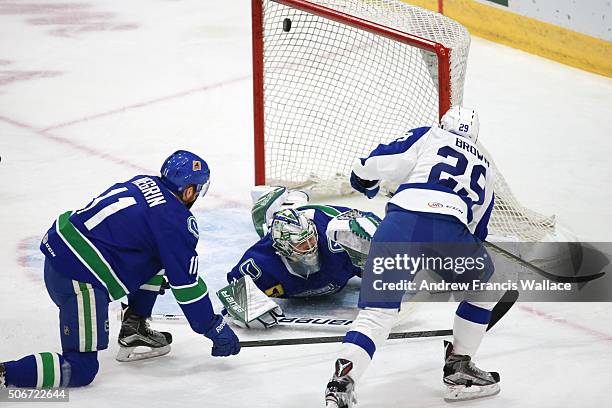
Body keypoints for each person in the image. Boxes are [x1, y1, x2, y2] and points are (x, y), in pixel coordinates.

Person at [0, 150, 240, 389]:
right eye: (198, 189)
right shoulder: (175, 223)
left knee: (158, 257)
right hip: (78, 280)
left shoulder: (144, 181)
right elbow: (186, 287)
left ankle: (134, 325)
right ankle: (4, 374)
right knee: (81, 368)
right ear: (188, 191)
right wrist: (213, 327)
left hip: (59, 253)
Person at [324, 106, 500, 407]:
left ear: (443, 123)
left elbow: (375, 162)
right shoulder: (487, 166)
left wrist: (362, 179)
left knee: (376, 315)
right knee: (485, 290)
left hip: (399, 225)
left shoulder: (430, 134)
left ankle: (341, 384)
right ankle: (460, 367)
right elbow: (477, 232)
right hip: (449, 230)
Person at [219, 186, 381, 329]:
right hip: (283, 228)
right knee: (264, 220)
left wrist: (391, 266)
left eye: (310, 239)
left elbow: (369, 224)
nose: (310, 247)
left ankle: (297, 198)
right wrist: (246, 309)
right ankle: (276, 197)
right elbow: (233, 290)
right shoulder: (261, 262)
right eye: (301, 244)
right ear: (282, 247)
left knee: (367, 247)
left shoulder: (333, 238)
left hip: (316, 216)